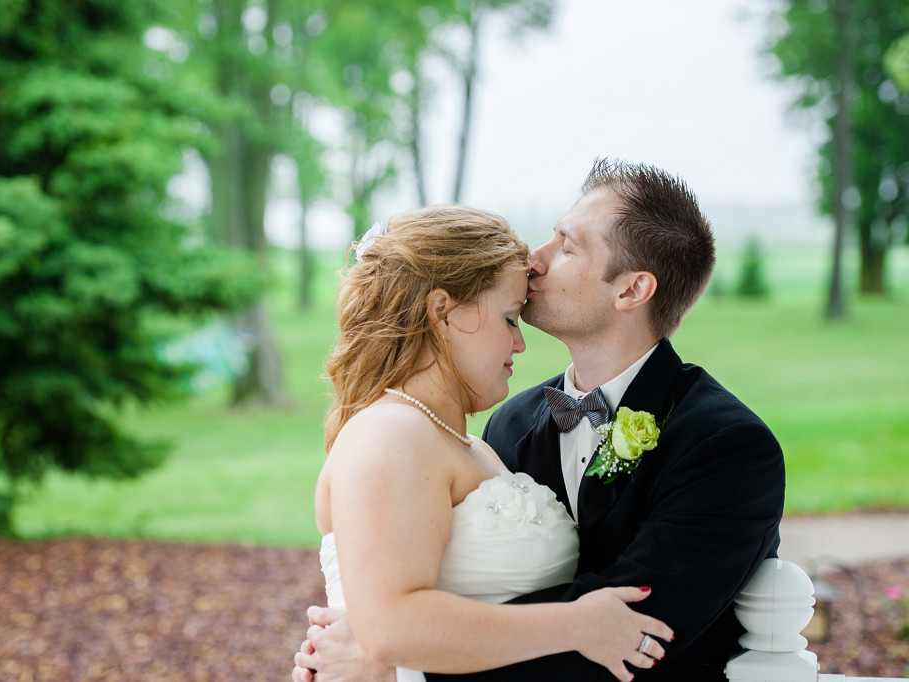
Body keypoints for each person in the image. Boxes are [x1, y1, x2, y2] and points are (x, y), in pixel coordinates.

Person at [293, 159, 786, 681]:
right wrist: (394, 638)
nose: (535, 259)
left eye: (567, 246)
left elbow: (637, 626)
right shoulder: (510, 423)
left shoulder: (724, 445)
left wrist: (400, 666)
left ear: (631, 290)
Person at [310, 204, 674, 682]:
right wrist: (577, 625)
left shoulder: (472, 445)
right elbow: (389, 628)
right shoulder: (390, 434)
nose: (519, 344)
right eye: (508, 318)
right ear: (442, 311)